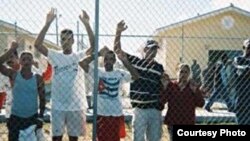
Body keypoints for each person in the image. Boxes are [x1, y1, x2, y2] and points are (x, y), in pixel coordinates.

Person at [34, 8, 94, 141]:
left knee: (73, 138)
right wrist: (48, 23)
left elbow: (93, 47)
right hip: (58, 106)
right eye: (62, 39)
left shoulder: (79, 56)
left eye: (68, 39)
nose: (65, 42)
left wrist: (87, 24)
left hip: (76, 105)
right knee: (56, 138)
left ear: (73, 41)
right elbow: (37, 44)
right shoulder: (55, 56)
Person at [80, 40, 139, 141]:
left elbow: (136, 76)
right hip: (101, 114)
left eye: (111, 59)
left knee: (115, 139)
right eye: (106, 59)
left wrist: (125, 61)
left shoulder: (119, 73)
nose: (108, 61)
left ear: (114, 61)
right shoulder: (98, 72)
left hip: (116, 113)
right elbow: (82, 63)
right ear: (103, 60)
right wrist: (98, 53)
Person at [114, 20, 164, 141]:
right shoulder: (136, 62)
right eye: (151, 49)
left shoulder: (159, 68)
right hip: (139, 109)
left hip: (154, 109)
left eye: (155, 50)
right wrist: (118, 32)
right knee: (138, 138)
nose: (153, 52)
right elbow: (117, 50)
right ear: (145, 50)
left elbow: (163, 86)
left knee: (154, 138)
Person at [0, 41, 45, 141]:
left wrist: (40, 117)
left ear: (32, 61)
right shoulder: (14, 74)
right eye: (24, 59)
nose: (26, 61)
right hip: (15, 117)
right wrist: (11, 49)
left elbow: (42, 99)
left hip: (32, 117)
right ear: (19, 61)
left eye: (29, 59)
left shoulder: (38, 78)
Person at [161, 63, 205, 141]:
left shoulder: (192, 86)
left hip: (187, 121)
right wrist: (164, 87)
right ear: (177, 72)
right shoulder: (171, 86)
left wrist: (195, 91)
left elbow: (201, 103)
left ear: (189, 74)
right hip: (173, 121)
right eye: (181, 71)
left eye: (186, 72)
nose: (183, 74)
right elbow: (162, 101)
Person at [233, 38, 250, 125]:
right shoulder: (238, 59)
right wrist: (246, 68)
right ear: (244, 48)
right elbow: (238, 68)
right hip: (241, 97)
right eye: (249, 47)